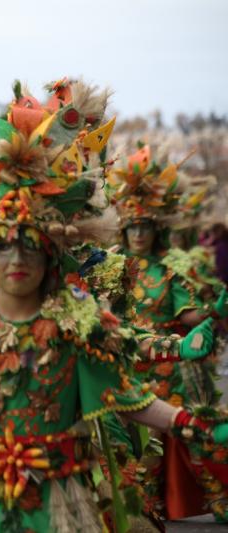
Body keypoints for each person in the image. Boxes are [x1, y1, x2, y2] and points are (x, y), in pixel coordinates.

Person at [0, 79, 228, 533]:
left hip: (63, 503)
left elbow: (127, 398)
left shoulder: (77, 322)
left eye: (31, 246)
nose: (17, 259)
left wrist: (196, 424)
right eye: (4, 245)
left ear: (51, 254)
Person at [109, 144, 228, 520]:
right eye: (133, 227)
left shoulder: (169, 270)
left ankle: (216, 498)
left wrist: (213, 311)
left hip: (167, 365)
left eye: (146, 226)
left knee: (178, 433)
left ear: (156, 230)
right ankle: (144, 507)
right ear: (124, 230)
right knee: (128, 444)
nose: (139, 233)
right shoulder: (111, 269)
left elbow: (189, 316)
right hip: (124, 362)